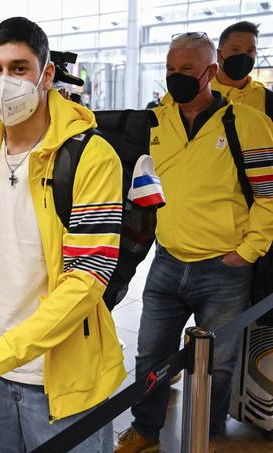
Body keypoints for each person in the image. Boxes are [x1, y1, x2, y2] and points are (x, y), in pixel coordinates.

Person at [0, 17, 126, 452]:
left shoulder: (90, 157)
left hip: (60, 379)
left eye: (19, 68)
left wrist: (0, 352)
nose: (4, 82)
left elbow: (86, 280)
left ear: (46, 74)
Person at [115, 32, 273, 453]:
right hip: (167, 261)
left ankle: (208, 431)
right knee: (150, 355)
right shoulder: (156, 121)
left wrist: (248, 251)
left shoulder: (248, 124)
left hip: (225, 269)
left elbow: (269, 196)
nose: (176, 77)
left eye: (187, 70)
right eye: (170, 69)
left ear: (210, 72)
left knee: (217, 365)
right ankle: (146, 430)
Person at [213, 21, 271, 117]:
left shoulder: (267, 99)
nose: (244, 56)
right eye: (235, 49)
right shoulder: (201, 92)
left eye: (250, 50)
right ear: (218, 55)